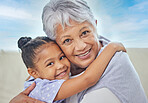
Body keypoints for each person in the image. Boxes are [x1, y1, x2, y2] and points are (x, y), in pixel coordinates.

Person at [10, 0, 148, 103]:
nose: (81, 46)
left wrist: (112, 47)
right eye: (67, 41)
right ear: (56, 44)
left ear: (95, 24)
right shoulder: (53, 74)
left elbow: (88, 79)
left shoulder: (116, 63)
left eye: (85, 32)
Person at [17, 36, 125, 103]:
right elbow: (88, 79)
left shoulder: (37, 78)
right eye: (50, 63)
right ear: (33, 72)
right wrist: (112, 47)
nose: (60, 65)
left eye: (62, 57)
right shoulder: (45, 88)